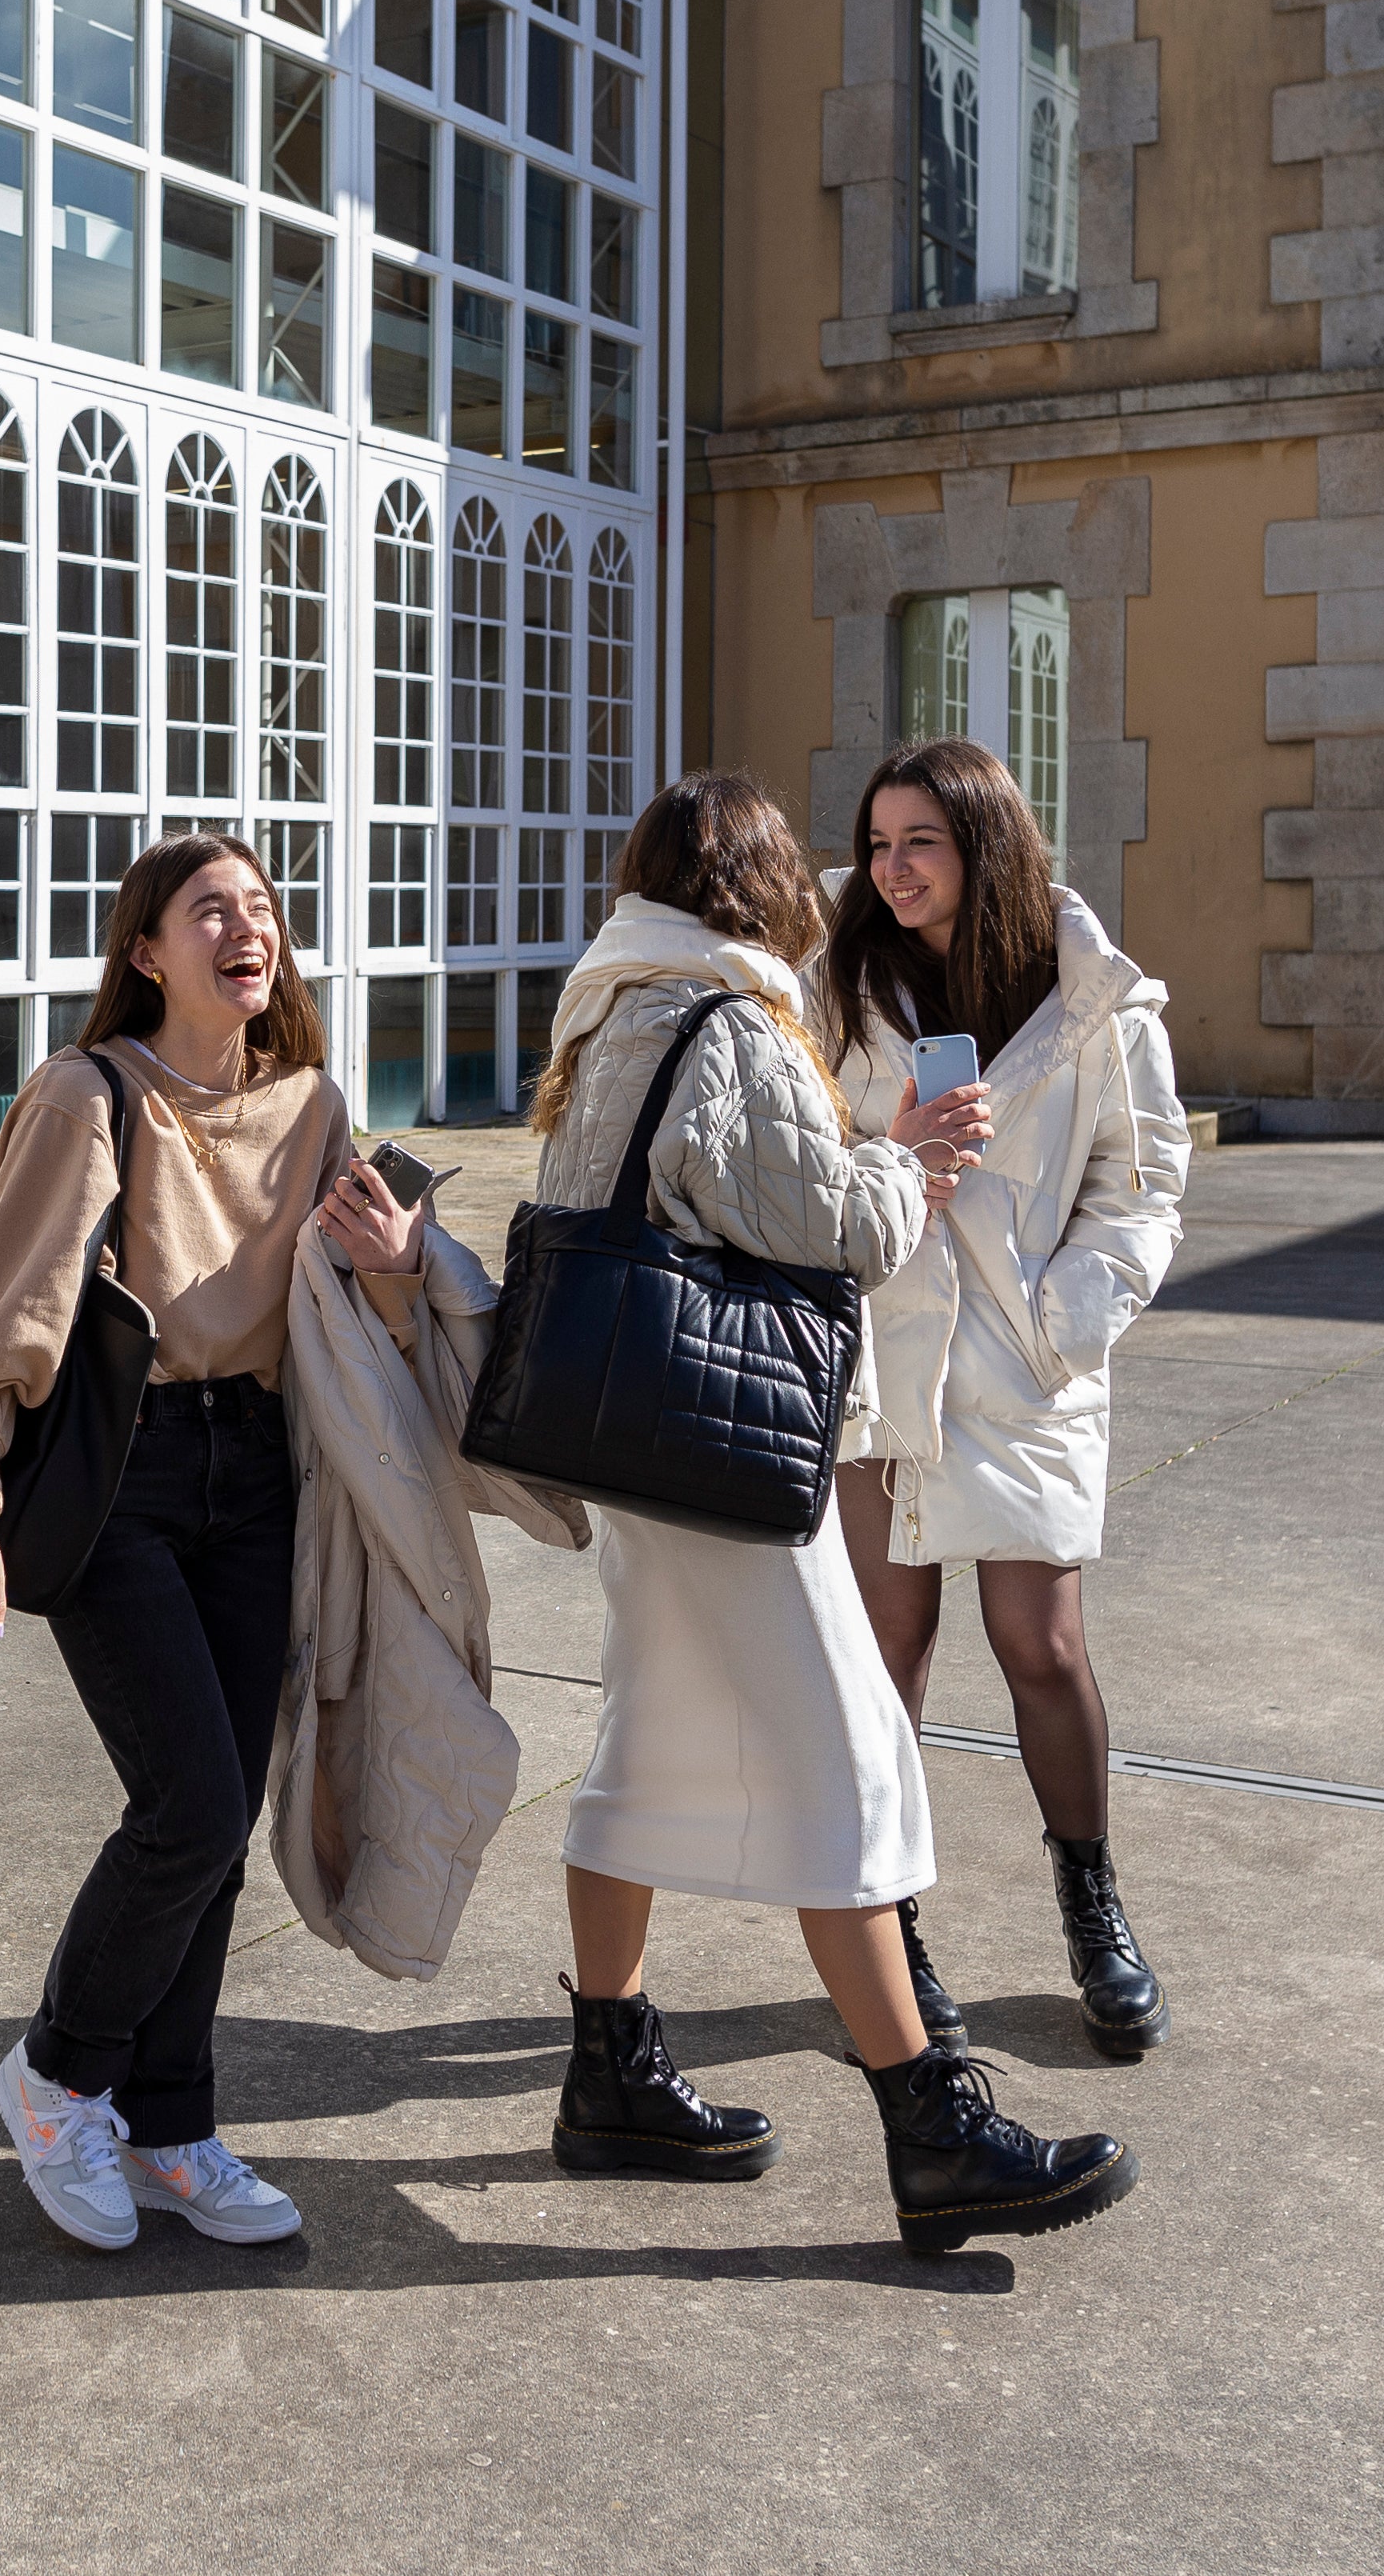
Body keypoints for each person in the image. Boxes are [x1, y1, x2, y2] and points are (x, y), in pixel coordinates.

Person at [523, 770, 1135, 2254]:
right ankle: (934, 2124)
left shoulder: (611, 1004)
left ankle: (607, 2067)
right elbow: (849, 1227)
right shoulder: (730, 1022)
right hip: (727, 1457)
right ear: (750, 883)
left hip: (633, 1441)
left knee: (640, 1740)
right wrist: (914, 1148)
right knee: (854, 1765)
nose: (832, 878)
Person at [0, 831, 419, 2255]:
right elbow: (0, 1311)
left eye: (262, 906)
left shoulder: (312, 1103)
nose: (246, 927)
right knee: (187, 1801)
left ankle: (175, 2122)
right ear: (146, 951)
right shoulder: (88, 1095)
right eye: (211, 910)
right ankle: (61, 2070)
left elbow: (352, 1313)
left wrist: (397, 1260)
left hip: (257, 1475)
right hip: (117, 1476)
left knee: (224, 1820)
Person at [817, 736, 1190, 2056]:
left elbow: (1139, 1189)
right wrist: (885, 1156)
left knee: (1044, 1643)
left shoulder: (1098, 1003)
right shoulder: (836, 983)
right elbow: (795, 1149)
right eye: (877, 842)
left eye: (919, 839)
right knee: (886, 1650)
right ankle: (890, 1927)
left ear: (985, 842)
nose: (891, 867)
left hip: (1028, 1364)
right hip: (884, 1359)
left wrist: (1063, 1320)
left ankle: (1092, 1902)